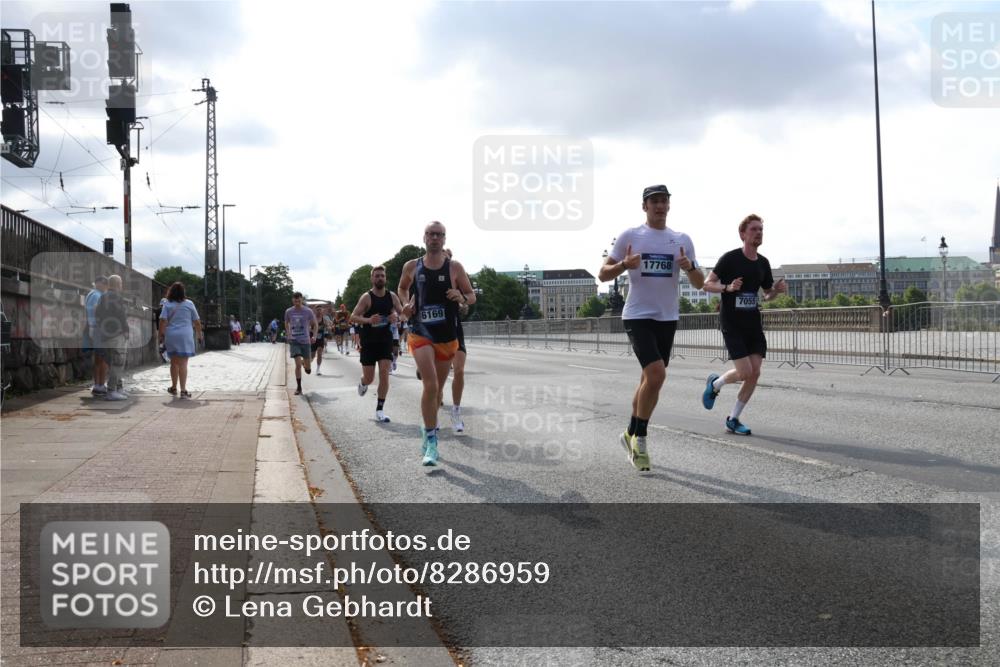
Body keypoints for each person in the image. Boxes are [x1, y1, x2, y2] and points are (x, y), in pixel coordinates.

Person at [599, 184, 703, 471]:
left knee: (650, 379)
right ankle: (640, 440)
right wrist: (624, 263)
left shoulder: (680, 239)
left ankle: (629, 432)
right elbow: (603, 274)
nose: (660, 206)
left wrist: (690, 266)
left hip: (667, 317)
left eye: (664, 201)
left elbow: (699, 283)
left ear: (669, 205)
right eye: (654, 201)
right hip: (637, 315)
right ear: (644, 206)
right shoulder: (631, 236)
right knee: (657, 374)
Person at [398, 221, 477, 465]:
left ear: (444, 239)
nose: (434, 238)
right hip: (421, 332)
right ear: (424, 238)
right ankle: (431, 443)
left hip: (447, 334)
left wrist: (461, 297)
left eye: (439, 235)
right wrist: (405, 306)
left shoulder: (454, 267)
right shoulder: (412, 266)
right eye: (431, 234)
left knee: (438, 390)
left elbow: (472, 297)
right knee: (430, 385)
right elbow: (402, 288)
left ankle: (426, 427)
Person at [701, 214, 787, 435]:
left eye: (761, 229)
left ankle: (733, 418)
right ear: (743, 234)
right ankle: (715, 385)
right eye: (754, 229)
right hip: (732, 323)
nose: (758, 233)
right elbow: (707, 284)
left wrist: (775, 291)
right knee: (745, 372)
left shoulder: (763, 263)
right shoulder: (730, 259)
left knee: (755, 372)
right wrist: (728, 287)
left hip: (753, 324)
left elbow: (766, 296)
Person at [351, 266, 404, 423]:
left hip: (385, 340)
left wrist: (397, 317)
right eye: (377, 276)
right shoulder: (367, 298)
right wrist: (368, 320)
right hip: (368, 341)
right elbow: (353, 317)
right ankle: (363, 383)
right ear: (372, 279)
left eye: (382, 276)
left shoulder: (392, 296)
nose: (380, 278)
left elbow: (402, 314)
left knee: (384, 375)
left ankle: (380, 410)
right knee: (369, 378)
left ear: (385, 278)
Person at [158, 282, 203, 398]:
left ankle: (173, 387)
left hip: (172, 335)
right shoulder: (189, 304)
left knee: (173, 362)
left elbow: (162, 321)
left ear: (171, 292)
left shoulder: (167, 304)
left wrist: (161, 335)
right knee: (183, 363)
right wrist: (199, 335)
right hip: (185, 336)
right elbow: (197, 322)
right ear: (183, 292)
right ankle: (183, 390)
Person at [95, 274, 130, 401]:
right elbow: (122, 315)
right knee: (118, 363)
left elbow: (97, 314)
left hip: (106, 335)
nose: (121, 286)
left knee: (113, 363)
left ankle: (118, 388)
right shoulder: (117, 297)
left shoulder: (102, 297)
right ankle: (112, 391)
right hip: (117, 334)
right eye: (120, 284)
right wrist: (126, 330)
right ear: (118, 285)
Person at [285, 292, 318, 395]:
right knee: (297, 364)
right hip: (294, 341)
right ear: (292, 300)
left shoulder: (308, 311)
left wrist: (314, 336)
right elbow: (286, 322)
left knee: (308, 370)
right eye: (295, 301)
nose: (297, 303)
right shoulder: (289, 311)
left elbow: (315, 325)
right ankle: (299, 387)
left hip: (306, 341)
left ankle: (306, 365)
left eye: (299, 301)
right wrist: (288, 334)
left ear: (302, 299)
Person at [84, 275, 109, 395]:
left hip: (93, 327)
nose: (105, 287)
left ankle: (97, 383)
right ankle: (100, 384)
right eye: (104, 284)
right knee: (103, 359)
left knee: (98, 358)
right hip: (98, 328)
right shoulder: (97, 295)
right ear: (99, 283)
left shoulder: (91, 294)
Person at [312, 305, 332, 374]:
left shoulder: (324, 319)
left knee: (319, 353)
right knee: (312, 356)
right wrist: (313, 330)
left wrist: (329, 328)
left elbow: (329, 326)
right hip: (313, 339)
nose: (319, 311)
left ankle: (318, 369)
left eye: (320, 310)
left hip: (321, 338)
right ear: (315, 311)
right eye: (318, 310)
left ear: (322, 311)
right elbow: (308, 327)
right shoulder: (312, 319)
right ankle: (306, 362)